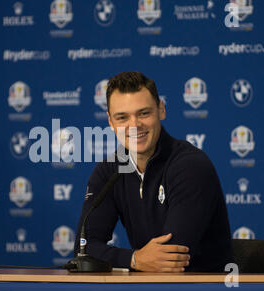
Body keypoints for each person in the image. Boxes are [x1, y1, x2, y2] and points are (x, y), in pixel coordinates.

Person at [74, 72, 234, 272]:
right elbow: (83, 249)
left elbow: (170, 257)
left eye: (143, 113)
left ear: (161, 110)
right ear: (111, 123)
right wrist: (134, 259)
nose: (134, 125)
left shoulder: (191, 166)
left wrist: (131, 260)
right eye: (122, 117)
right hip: (148, 288)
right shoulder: (109, 172)